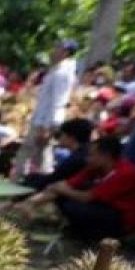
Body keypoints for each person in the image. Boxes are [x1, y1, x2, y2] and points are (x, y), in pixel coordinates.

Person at [23, 136, 135, 242]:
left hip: (122, 219)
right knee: (66, 198)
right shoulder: (94, 167)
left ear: (106, 156)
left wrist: (61, 189)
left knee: (74, 205)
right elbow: (65, 185)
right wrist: (31, 202)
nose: (87, 158)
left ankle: (98, 237)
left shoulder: (126, 173)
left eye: (92, 155)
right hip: (103, 207)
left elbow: (87, 197)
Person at [13, 40, 79, 180]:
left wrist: (48, 126)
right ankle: (37, 182)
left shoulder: (62, 73)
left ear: (65, 52)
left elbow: (58, 101)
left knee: (31, 152)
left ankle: (19, 180)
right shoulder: (56, 70)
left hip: (45, 122)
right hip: (41, 119)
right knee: (40, 155)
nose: (53, 51)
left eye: (57, 48)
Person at [20, 118, 94, 191]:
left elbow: (54, 180)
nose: (59, 138)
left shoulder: (77, 158)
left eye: (61, 135)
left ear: (71, 138)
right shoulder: (86, 153)